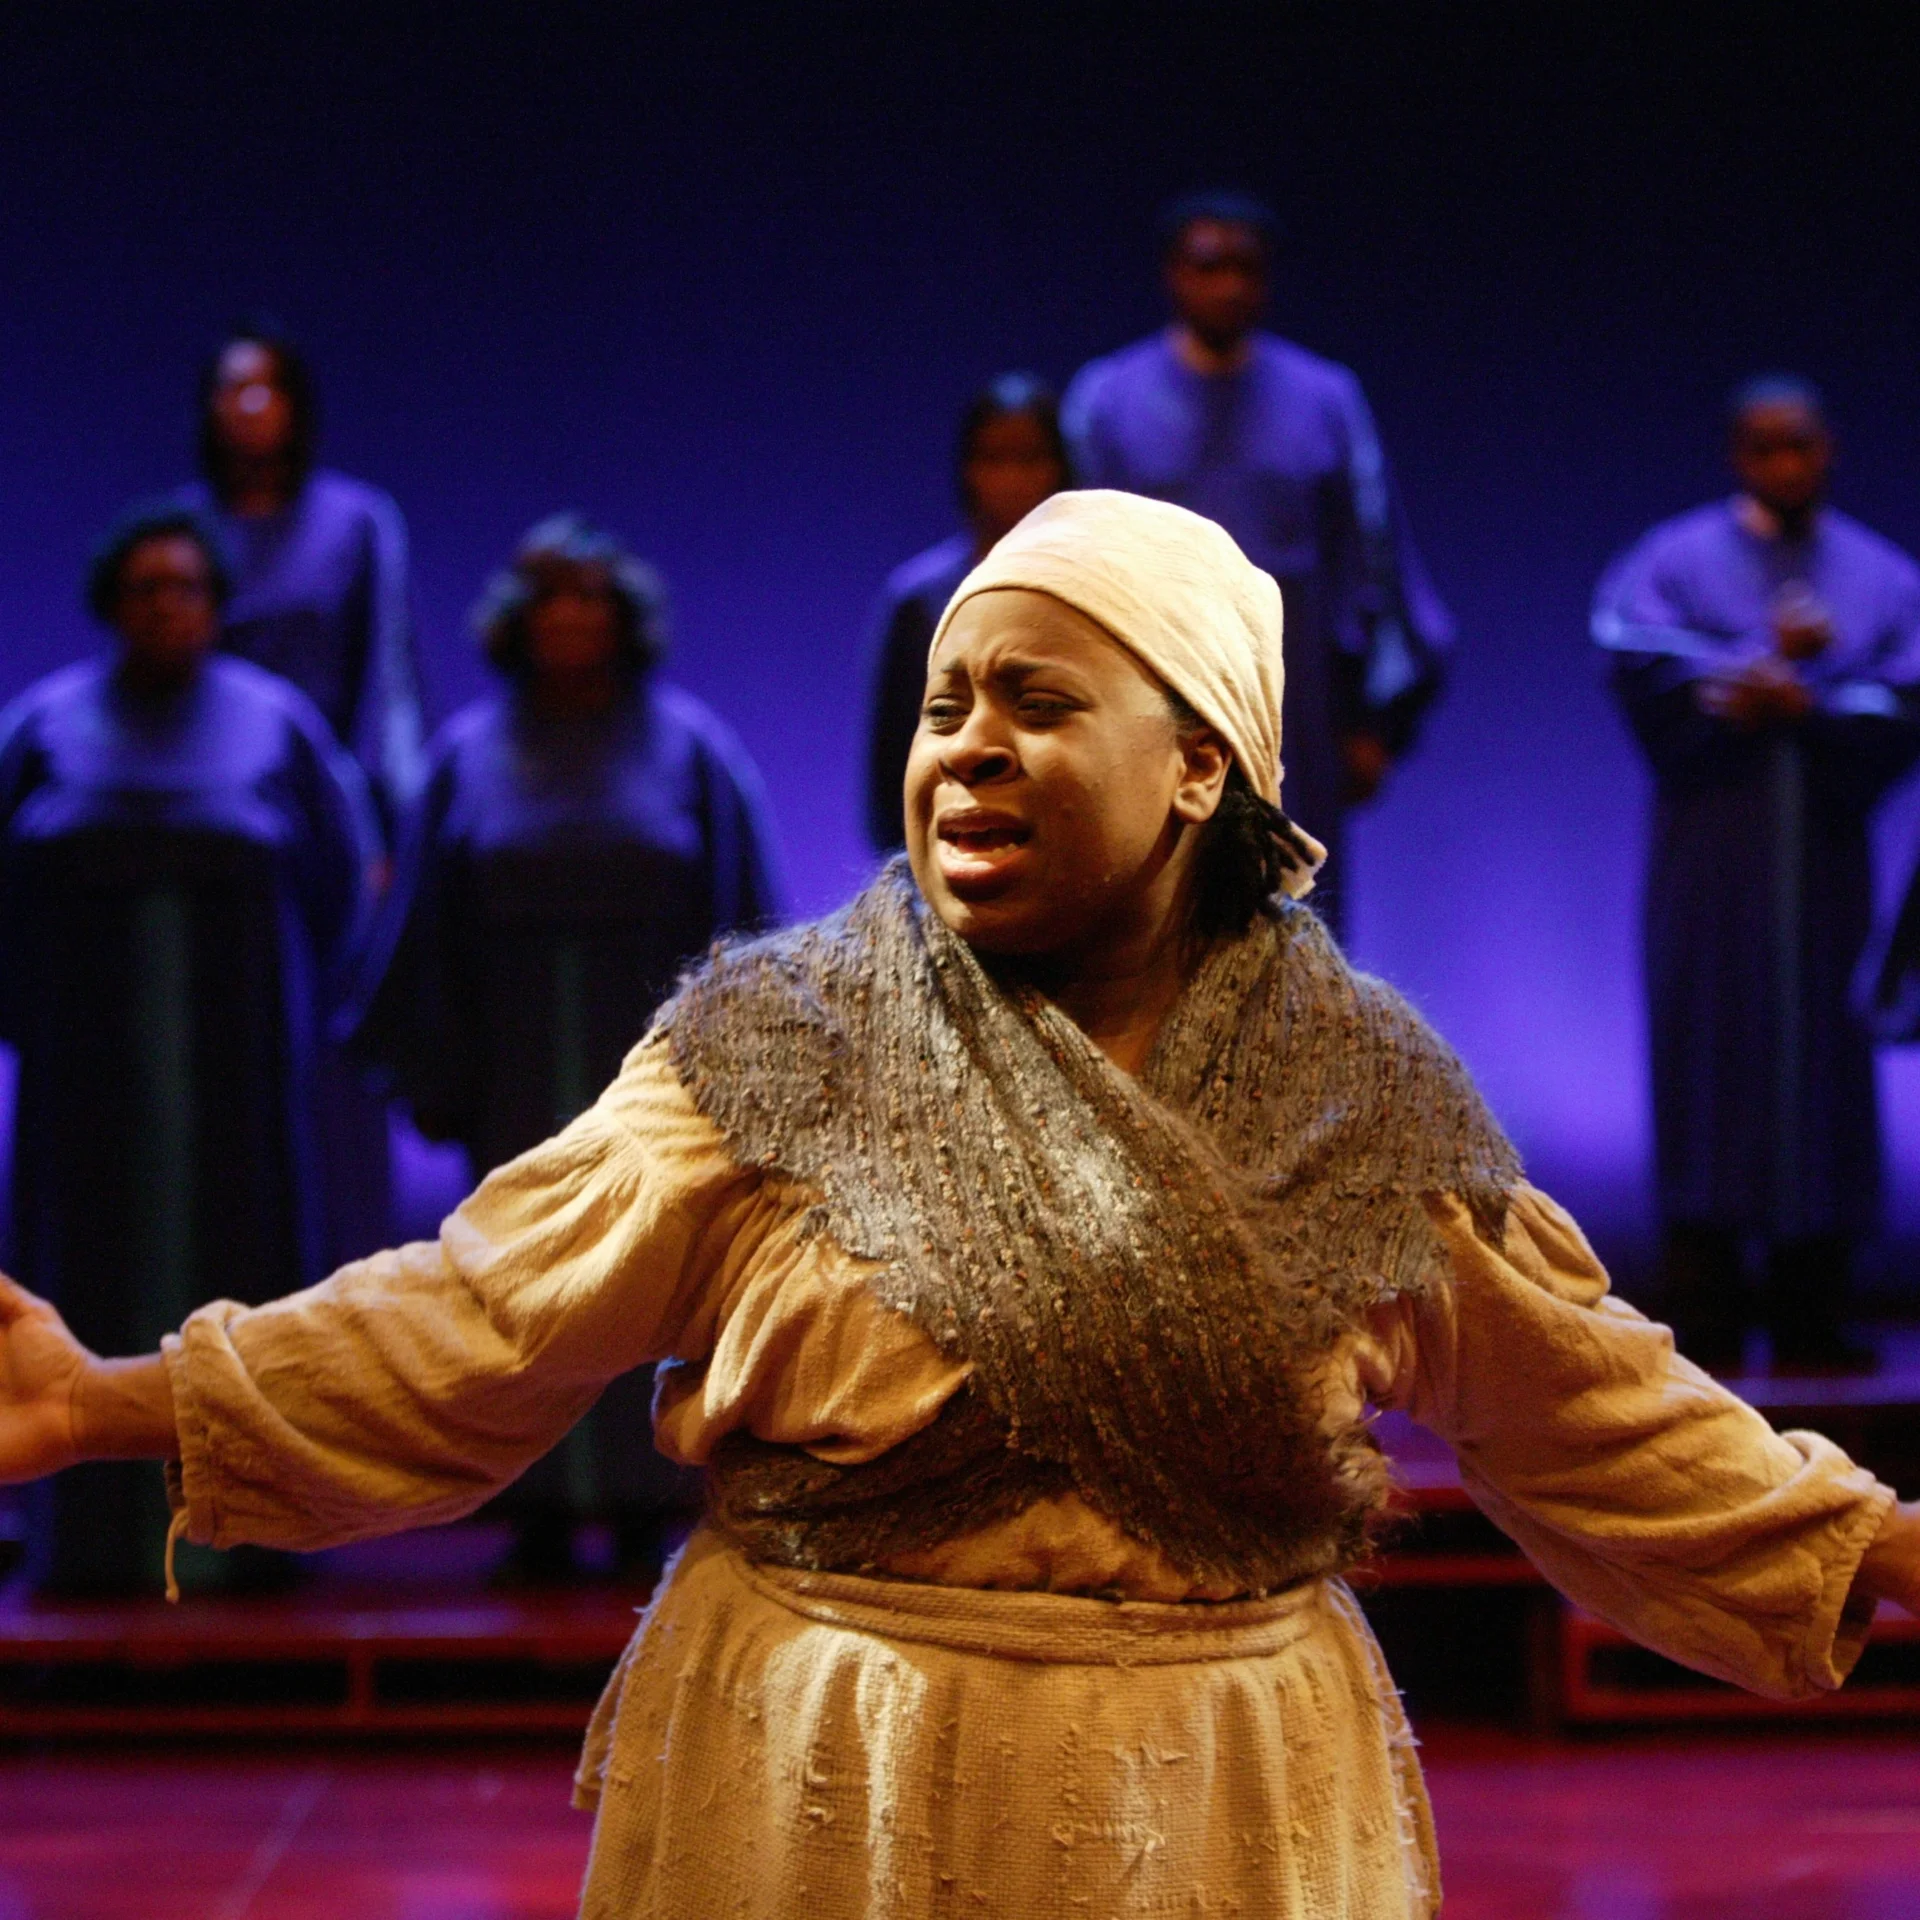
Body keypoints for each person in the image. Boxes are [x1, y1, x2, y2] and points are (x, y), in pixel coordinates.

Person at [3, 490, 1917, 1917]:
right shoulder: (774, 1049)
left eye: (1034, 701)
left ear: (1197, 769)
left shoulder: (1366, 1109)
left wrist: (1885, 1550)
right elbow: (483, 1316)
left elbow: (1595, 1411)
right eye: (944, 706)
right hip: (823, 1776)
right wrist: (105, 1402)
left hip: (1221, 1799)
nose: (966, 750)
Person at [351, 515, 782, 1579]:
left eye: (592, 597)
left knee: (648, 1277)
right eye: (551, 599)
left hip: (653, 1077)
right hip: (517, 1073)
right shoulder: (465, 758)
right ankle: (535, 1506)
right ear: (517, 622)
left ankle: (643, 1501)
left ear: (624, 616)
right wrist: (438, 1075)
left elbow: (743, 917)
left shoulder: (690, 750)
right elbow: (425, 927)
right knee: (527, 1280)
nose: (572, 618)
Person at [0, 503, 375, 1593]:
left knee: (245, 1285)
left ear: (217, 606)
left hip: (237, 1076)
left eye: (187, 588)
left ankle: (249, 1553)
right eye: (144, 588)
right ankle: (95, 1550)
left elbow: (341, 884)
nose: (166, 606)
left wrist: (298, 1020)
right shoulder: (46, 727)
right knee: (83, 1288)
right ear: (111, 603)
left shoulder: (278, 726)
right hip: (88, 1082)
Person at [1594, 377, 1920, 1376]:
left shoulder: (1878, 573)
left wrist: (1814, 705)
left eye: (1804, 448)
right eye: (1768, 450)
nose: (1788, 467)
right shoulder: (1677, 560)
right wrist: (1748, 669)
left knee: (1822, 1049)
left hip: (1820, 853)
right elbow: (1639, 661)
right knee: (1713, 1039)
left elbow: (1903, 697)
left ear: (1827, 451)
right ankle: (1707, 1300)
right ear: (1741, 455)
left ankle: (1814, 1302)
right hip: (1715, 853)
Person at [1063, 192, 1452, 934]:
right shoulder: (1109, 400)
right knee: (1154, 901)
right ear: (1175, 274)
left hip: (1291, 699)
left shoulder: (1324, 399)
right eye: (1210, 267)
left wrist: (1370, 719)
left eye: (1245, 268)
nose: (1228, 286)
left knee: (1288, 906)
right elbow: (1077, 562)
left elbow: (1369, 559)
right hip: (1154, 686)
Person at [179, 328, 422, 1270]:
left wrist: (380, 822)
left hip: (326, 820)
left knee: (326, 1045)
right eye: (229, 390)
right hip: (216, 822)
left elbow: (384, 674)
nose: (248, 408)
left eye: (266, 389)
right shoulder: (188, 530)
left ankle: (340, 1268)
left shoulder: (354, 522)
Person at [863, 374, 1071, 851]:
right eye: (994, 459)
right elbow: (890, 769)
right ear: (967, 470)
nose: (1012, 479)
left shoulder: (1096, 598)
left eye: (1030, 458)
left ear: (1060, 468)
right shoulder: (920, 602)